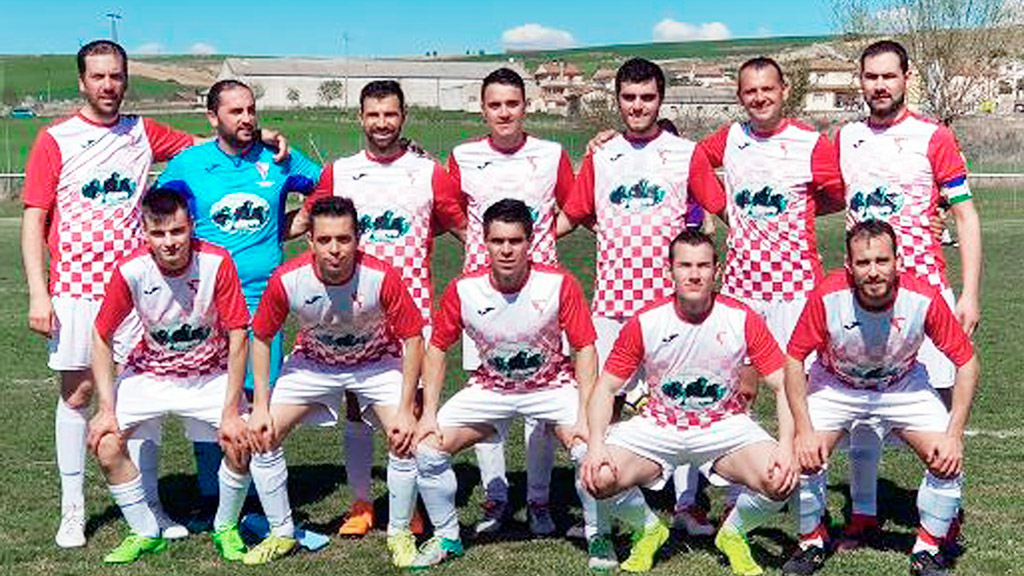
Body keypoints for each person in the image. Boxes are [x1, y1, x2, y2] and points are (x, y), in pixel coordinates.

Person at [21, 40, 197, 547]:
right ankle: (73, 508)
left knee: (140, 399)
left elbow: (210, 151)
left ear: (125, 79)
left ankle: (151, 504)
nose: (108, 86)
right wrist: (39, 293)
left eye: (116, 76)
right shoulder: (55, 138)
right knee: (77, 394)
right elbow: (35, 218)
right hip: (75, 289)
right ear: (82, 81)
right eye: (98, 77)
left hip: (136, 293)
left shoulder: (143, 132)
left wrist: (264, 139)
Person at [678, 56, 844, 531]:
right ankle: (737, 492)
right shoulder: (729, 138)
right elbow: (693, 162)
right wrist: (722, 207)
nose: (759, 97)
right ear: (740, 95)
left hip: (797, 290)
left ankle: (806, 498)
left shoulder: (811, 142)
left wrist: (805, 209)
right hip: (743, 290)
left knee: (802, 398)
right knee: (740, 392)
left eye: (767, 88)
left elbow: (836, 192)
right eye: (750, 91)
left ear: (784, 89)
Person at [298, 79, 463, 535]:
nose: (382, 123)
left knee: (412, 408)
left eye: (390, 114)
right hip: (355, 312)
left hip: (414, 311)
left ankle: (407, 506)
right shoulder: (341, 170)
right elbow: (307, 220)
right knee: (355, 405)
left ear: (403, 117)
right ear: (361, 117)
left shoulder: (429, 172)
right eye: (373, 114)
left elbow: (463, 226)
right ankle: (360, 504)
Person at [581, 230, 798, 575]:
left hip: (724, 428)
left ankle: (734, 533)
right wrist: (595, 443)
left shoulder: (741, 318)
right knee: (595, 473)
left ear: (717, 271)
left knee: (783, 477)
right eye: (685, 265)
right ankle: (649, 529)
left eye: (703, 265)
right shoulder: (646, 321)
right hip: (659, 427)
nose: (694, 274)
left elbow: (784, 385)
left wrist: (787, 445)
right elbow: (606, 388)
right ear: (670, 270)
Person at [154, 78, 321, 527]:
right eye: (235, 112)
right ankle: (215, 496)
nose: (247, 119)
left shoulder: (277, 159)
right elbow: (153, 213)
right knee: (213, 401)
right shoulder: (188, 165)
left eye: (251, 110)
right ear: (213, 118)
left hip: (263, 303)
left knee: (256, 398)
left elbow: (327, 186)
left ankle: (254, 497)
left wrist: (300, 220)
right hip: (206, 304)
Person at [835, 39, 982, 547]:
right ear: (861, 80)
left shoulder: (934, 137)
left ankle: (944, 513)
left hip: (926, 295)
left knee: (940, 411)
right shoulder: (845, 137)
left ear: (905, 77)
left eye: (888, 76)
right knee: (859, 403)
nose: (879, 86)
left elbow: (964, 214)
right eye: (870, 77)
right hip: (864, 295)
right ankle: (864, 512)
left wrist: (969, 293)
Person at [408, 199, 601, 569]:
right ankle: (447, 536)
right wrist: (429, 413)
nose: (507, 249)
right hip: (491, 389)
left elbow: (585, 348)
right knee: (428, 448)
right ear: (484, 242)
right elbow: (436, 349)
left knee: (589, 448)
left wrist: (583, 414)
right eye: (498, 241)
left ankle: (598, 535)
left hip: (550, 386)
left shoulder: (559, 283)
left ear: (530, 241)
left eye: (515, 240)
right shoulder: (464, 289)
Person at [780, 220, 979, 576]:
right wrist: (805, 430)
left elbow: (966, 362)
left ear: (898, 261)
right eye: (863, 262)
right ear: (848, 265)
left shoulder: (923, 298)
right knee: (804, 455)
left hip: (902, 385)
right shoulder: (827, 296)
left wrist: (954, 434)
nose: (873, 272)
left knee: (946, 458)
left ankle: (929, 548)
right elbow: (794, 358)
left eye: (882, 261)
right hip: (836, 385)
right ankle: (811, 540)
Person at [560, 57, 700, 540]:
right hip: (613, 305)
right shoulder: (600, 157)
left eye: (647, 98)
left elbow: (721, 214)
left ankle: (687, 504)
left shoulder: (686, 153)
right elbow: (571, 215)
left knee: (681, 403)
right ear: (617, 100)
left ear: (662, 100)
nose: (638, 106)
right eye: (629, 98)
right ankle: (604, 507)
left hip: (670, 307)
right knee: (606, 404)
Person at [246, 196, 425, 566]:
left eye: (344, 239)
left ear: (358, 238)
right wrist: (260, 406)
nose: (335, 249)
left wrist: (407, 409)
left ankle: (401, 533)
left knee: (404, 436)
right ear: (309, 240)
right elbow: (261, 336)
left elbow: (413, 338)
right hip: (313, 365)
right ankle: (282, 533)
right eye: (325, 240)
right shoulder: (287, 279)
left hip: (376, 363)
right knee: (262, 435)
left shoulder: (381, 275)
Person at [84, 187, 255, 564]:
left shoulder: (216, 261)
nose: (170, 242)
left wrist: (230, 411)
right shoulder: (131, 269)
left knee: (241, 440)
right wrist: (106, 407)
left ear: (191, 227)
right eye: (158, 234)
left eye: (177, 231)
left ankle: (225, 526)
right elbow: (100, 335)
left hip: (209, 373)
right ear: (144, 233)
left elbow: (239, 333)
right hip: (150, 373)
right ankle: (145, 531)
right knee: (106, 442)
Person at [447, 67, 575, 536]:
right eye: (495, 105)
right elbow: (451, 211)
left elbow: (576, 206)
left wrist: (539, 242)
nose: (504, 112)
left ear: (526, 106)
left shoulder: (551, 154)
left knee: (543, 397)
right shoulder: (463, 155)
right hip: (481, 297)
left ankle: (539, 500)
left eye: (512, 104)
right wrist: (478, 250)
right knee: (488, 397)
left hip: (541, 297)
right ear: (483, 108)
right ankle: (496, 496)